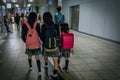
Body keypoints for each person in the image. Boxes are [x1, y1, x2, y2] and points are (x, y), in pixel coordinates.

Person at [41, 12, 59, 77]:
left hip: (46, 46)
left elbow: (42, 37)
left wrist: (45, 42)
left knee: (46, 54)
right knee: (55, 59)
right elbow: (58, 36)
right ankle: (55, 73)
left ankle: (46, 64)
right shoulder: (56, 25)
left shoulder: (43, 26)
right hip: (54, 46)